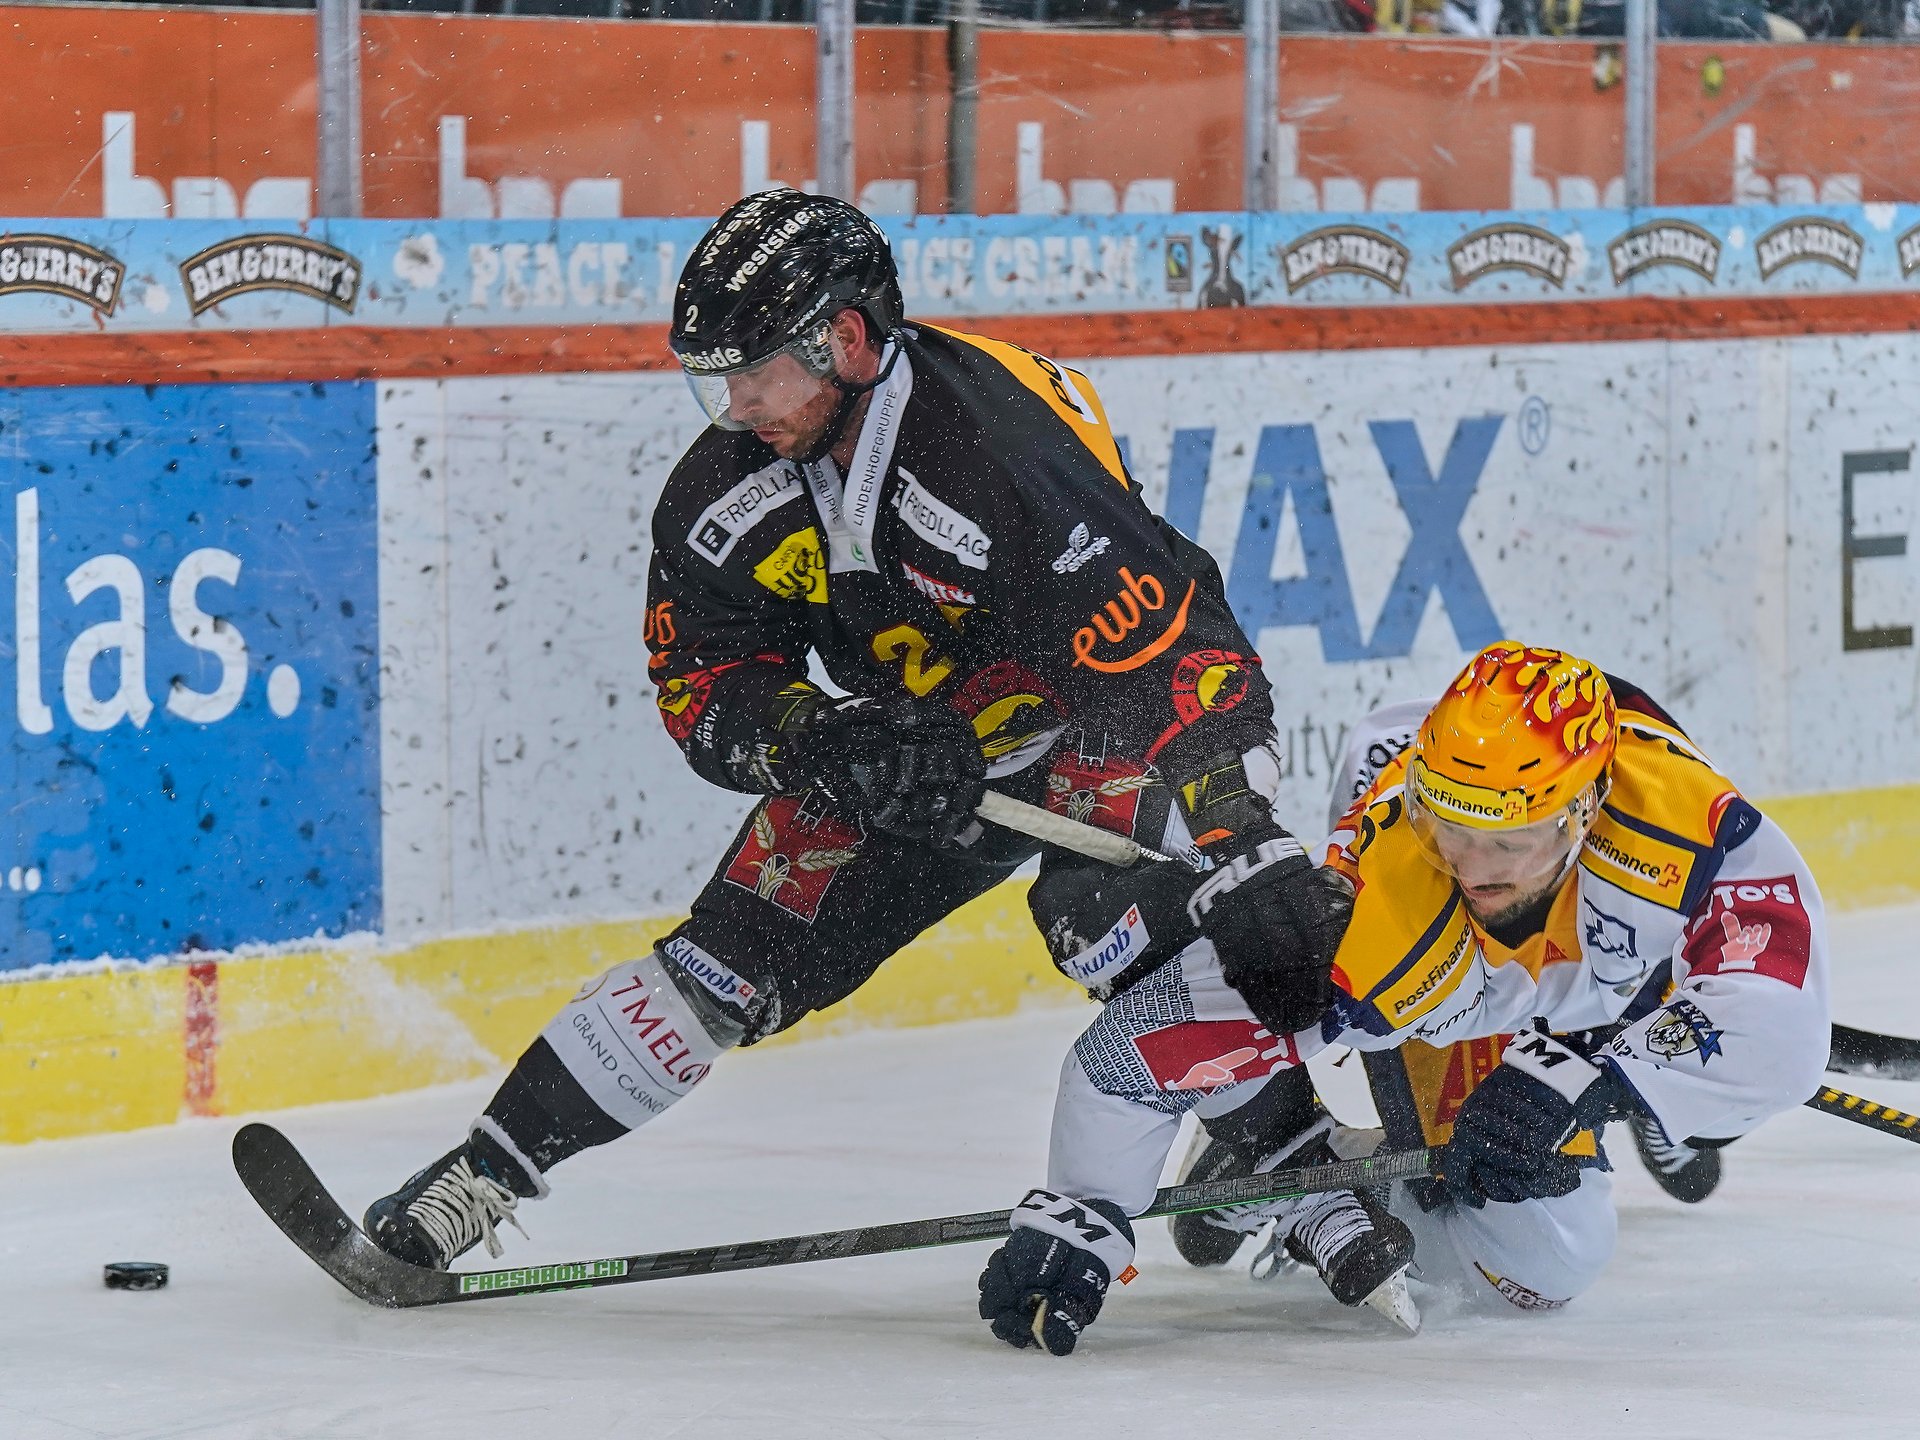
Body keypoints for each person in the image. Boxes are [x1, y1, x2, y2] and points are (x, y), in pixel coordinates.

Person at [356, 189, 1354, 1275]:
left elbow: (1163, 638)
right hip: (910, 757)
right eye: (716, 376)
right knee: (725, 966)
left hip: (1089, 731)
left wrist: (1236, 826)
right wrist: (821, 738)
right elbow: (702, 680)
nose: (735, 403)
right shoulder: (723, 494)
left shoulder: (1001, 443)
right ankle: (482, 1173)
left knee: (1145, 922)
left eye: (754, 371)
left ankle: (1291, 1163)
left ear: (845, 339)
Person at [978, 641, 1830, 1352]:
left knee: (1711, 1088)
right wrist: (1083, 1211)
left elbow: (1782, 1022)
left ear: (1587, 809)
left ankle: (1650, 1072)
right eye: (1449, 828)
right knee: (1546, 1259)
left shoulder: (1689, 825)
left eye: (1508, 841)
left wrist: (1604, 1078)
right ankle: (1284, 1156)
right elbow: (1129, 1058)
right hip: (1473, 990)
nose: (1472, 868)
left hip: (1599, 957)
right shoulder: (1380, 918)